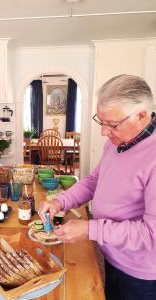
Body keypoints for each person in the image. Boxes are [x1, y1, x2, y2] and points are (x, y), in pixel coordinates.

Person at [39, 74, 156, 300]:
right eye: (100, 121)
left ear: (142, 115)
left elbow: (151, 235)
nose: (103, 132)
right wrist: (59, 201)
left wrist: (90, 229)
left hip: (142, 274)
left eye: (111, 124)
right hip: (112, 255)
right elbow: (94, 180)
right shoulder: (117, 142)